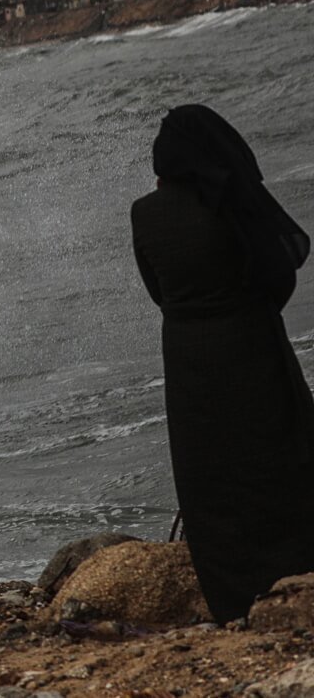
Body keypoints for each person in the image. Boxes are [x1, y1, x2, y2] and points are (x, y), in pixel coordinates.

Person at [131, 104, 314, 622]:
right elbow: (280, 270)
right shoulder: (229, 201)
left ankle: (232, 598)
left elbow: (157, 289)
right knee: (277, 456)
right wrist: (246, 313)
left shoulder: (144, 212)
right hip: (251, 341)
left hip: (186, 357)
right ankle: (295, 571)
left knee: (209, 473)